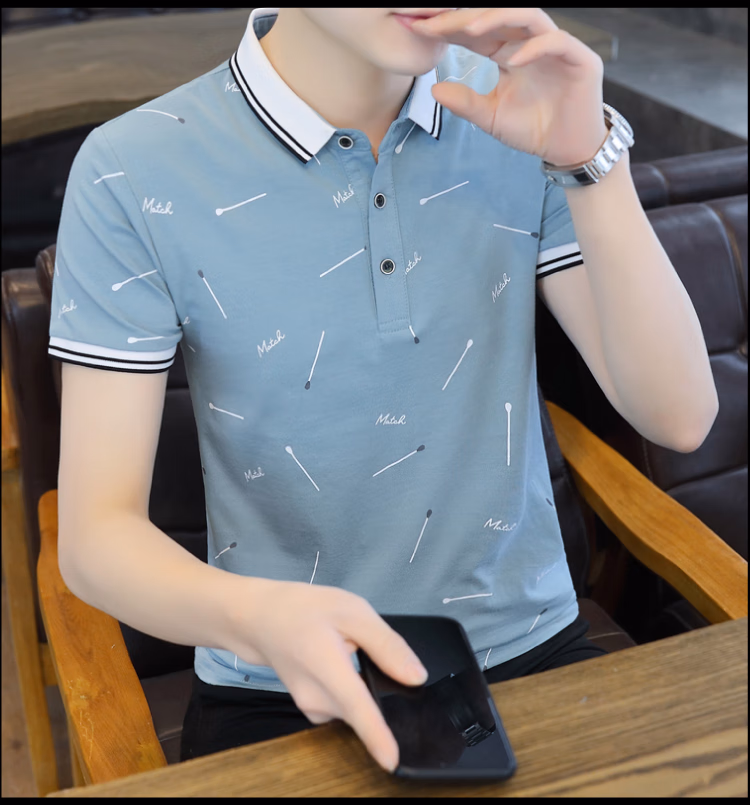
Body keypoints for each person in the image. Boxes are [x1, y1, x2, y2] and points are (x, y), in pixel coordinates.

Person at [49, 7, 719, 774]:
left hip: (532, 653)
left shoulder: (523, 105)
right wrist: (260, 617)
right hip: (277, 685)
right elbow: (96, 537)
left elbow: (680, 416)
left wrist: (588, 159)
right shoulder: (134, 167)